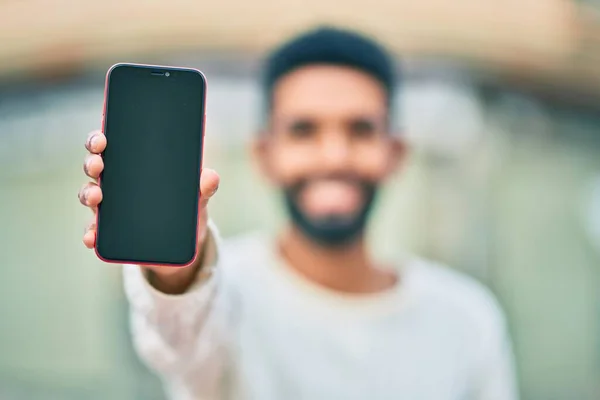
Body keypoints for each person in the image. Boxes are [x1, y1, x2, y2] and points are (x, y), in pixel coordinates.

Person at [79, 26, 518, 400]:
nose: (334, 156)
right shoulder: (226, 292)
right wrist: (175, 272)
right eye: (304, 130)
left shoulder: (468, 319)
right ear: (264, 154)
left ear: (395, 152)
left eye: (361, 129)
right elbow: (178, 344)